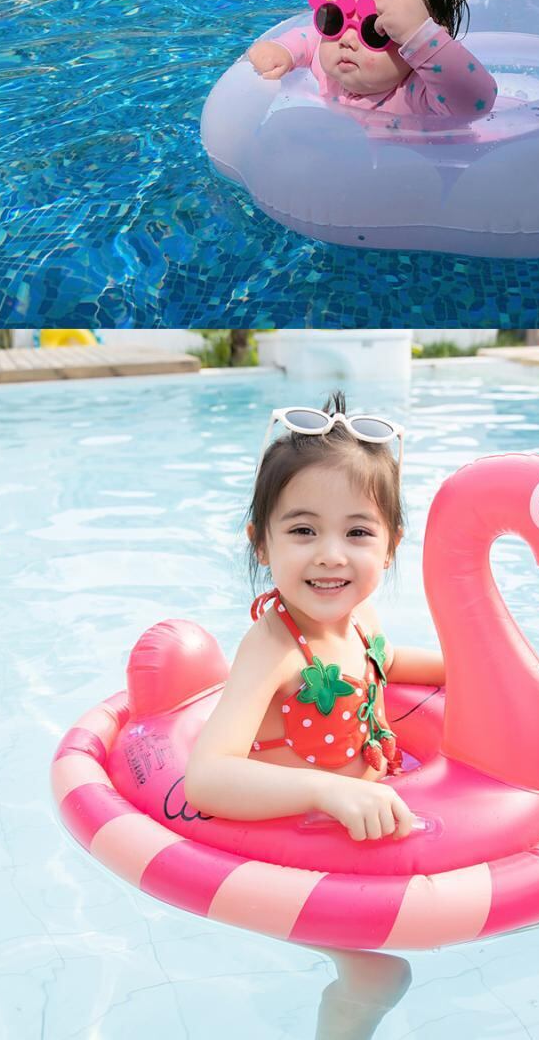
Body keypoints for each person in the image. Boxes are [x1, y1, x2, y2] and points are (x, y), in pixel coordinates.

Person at [187, 398, 443, 1038]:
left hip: (366, 818)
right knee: (380, 975)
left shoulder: (361, 620)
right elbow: (207, 778)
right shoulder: (273, 646)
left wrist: (468, 666)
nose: (331, 555)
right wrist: (325, 791)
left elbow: (387, 661)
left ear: (391, 547)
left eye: (358, 533)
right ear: (261, 542)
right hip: (297, 845)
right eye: (303, 531)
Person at [248, 0, 498, 125]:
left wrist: (422, 38)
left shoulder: (420, 94)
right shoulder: (332, 68)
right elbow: (310, 38)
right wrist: (283, 50)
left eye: (372, 30)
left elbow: (476, 103)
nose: (345, 39)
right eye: (334, 20)